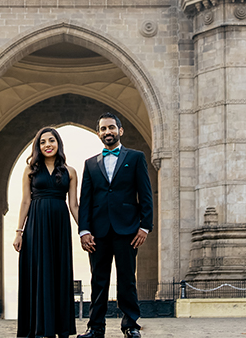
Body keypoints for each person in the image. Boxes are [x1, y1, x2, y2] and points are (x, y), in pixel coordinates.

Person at [77, 113, 153, 338]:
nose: (107, 132)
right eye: (103, 129)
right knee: (98, 280)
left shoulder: (136, 157)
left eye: (111, 128)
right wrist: (84, 230)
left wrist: (144, 226)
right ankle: (95, 328)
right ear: (98, 133)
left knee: (127, 279)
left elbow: (145, 195)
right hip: (98, 233)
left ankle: (130, 326)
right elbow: (86, 201)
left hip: (128, 230)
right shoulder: (90, 164)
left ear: (120, 130)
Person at [13, 126, 79, 338]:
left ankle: (60, 328)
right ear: (38, 146)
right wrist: (18, 232)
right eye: (42, 142)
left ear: (58, 143)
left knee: (58, 272)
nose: (47, 145)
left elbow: (74, 205)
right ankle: (38, 328)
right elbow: (25, 201)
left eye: (51, 140)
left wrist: (85, 231)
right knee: (38, 272)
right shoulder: (30, 171)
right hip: (36, 225)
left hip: (60, 225)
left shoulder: (70, 172)